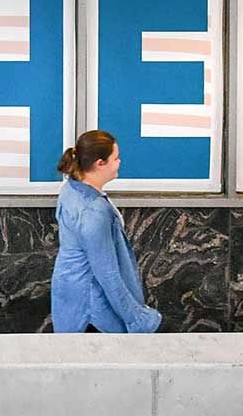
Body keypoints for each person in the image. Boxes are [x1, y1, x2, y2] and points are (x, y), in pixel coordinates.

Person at [50, 130, 162, 333]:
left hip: (70, 296)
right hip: (93, 308)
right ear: (99, 163)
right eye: (116, 158)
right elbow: (107, 274)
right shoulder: (94, 211)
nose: (119, 162)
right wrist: (138, 319)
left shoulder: (71, 189)